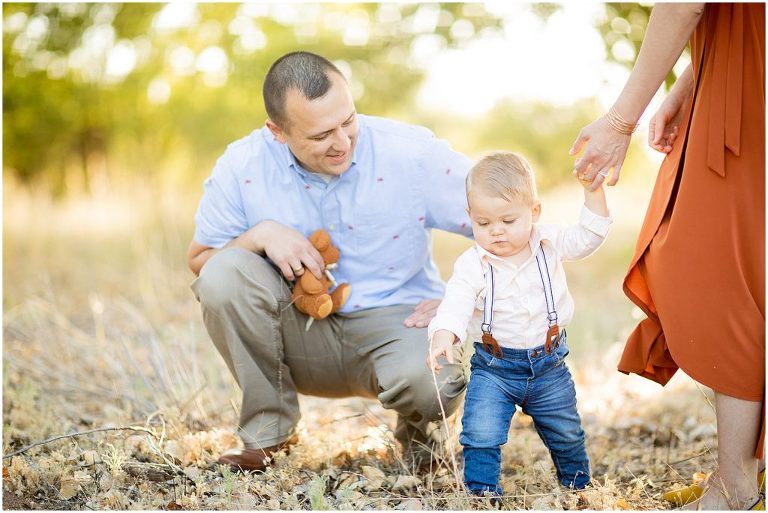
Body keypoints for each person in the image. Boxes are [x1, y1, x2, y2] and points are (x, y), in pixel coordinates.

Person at [187, 51, 474, 472]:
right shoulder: (241, 165)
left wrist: (462, 301)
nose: (342, 142)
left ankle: (420, 438)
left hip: (399, 323)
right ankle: (269, 434)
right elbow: (201, 262)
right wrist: (259, 235)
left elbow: (512, 222)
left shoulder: (411, 154)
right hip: (295, 331)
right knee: (223, 274)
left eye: (348, 121)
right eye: (321, 135)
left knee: (434, 381)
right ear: (277, 132)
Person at [570, 4, 764, 510]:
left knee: (717, 268)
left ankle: (736, 478)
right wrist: (687, 85)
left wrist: (620, 121)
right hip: (731, 72)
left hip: (749, 83)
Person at [426, 152, 611, 495]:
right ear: (471, 217)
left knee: (566, 431)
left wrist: (593, 192)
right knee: (480, 431)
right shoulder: (473, 264)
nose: (496, 232)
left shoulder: (549, 244)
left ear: (534, 213)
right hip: (494, 368)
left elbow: (589, 237)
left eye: (508, 221)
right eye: (483, 223)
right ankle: (482, 492)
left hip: (549, 365)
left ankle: (577, 486)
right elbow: (456, 301)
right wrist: (443, 334)